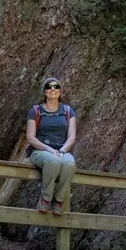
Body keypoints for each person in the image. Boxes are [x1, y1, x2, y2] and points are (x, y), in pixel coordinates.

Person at [25, 77, 77, 215]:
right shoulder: (35, 111)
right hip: (40, 150)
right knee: (52, 161)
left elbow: (72, 137)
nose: (52, 89)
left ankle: (59, 201)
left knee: (69, 164)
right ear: (44, 92)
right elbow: (30, 137)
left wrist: (62, 150)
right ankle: (45, 199)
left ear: (60, 92)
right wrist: (49, 149)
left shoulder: (68, 111)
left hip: (62, 150)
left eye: (56, 86)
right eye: (49, 87)